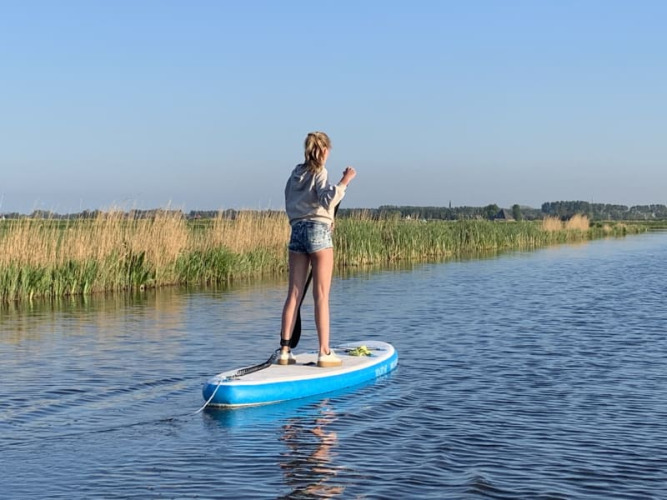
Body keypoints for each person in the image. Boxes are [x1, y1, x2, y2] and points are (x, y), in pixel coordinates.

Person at [279, 132, 356, 367]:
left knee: (294, 294)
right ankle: (324, 352)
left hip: (297, 231)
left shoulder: (295, 174)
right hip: (318, 233)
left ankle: (284, 350)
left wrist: (325, 217)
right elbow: (325, 198)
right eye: (328, 149)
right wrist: (345, 181)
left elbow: (294, 202)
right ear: (323, 150)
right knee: (321, 295)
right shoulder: (319, 172)